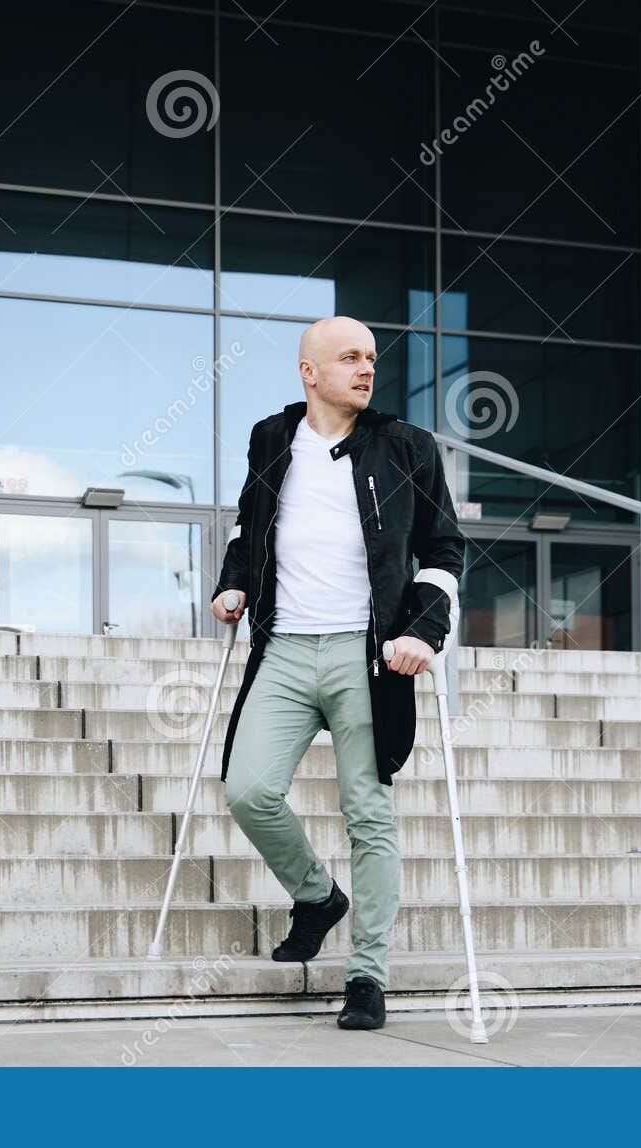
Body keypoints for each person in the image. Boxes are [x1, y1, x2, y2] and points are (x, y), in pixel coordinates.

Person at [210, 315, 464, 1030]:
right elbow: (246, 526)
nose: (366, 368)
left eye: (372, 358)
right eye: (349, 356)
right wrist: (234, 582)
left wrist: (423, 632)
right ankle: (318, 896)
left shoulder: (406, 446)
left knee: (368, 812)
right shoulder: (271, 438)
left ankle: (367, 974)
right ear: (309, 371)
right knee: (248, 788)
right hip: (285, 646)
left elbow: (444, 548)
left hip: (369, 652)